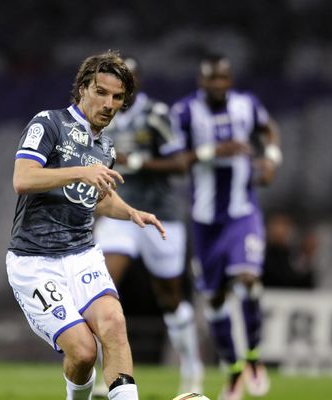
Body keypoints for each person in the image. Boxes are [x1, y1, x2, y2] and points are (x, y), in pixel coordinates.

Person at [6, 51, 166, 400]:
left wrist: (131, 212)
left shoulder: (104, 146)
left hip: (82, 254)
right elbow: (23, 178)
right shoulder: (48, 123)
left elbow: (100, 198)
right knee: (82, 352)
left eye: (117, 97)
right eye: (101, 92)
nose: (109, 103)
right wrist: (82, 170)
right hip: (35, 262)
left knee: (114, 324)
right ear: (82, 89)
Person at [170, 54, 282, 400]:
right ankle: (233, 370)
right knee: (215, 297)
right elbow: (175, 160)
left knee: (248, 278)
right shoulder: (185, 112)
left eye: (223, 79)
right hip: (205, 220)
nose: (218, 85)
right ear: (201, 82)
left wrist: (271, 159)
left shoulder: (247, 106)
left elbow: (269, 129)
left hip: (242, 212)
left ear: (230, 80)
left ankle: (253, 357)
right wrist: (212, 151)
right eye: (211, 79)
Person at [93, 56, 204, 395]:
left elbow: (182, 162)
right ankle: (105, 374)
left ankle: (191, 364)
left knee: (169, 296)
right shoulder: (97, 117)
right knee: (101, 286)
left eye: (124, 81)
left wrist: (137, 162)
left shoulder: (155, 115)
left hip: (159, 215)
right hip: (120, 214)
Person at [262, 213, 317, 289]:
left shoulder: (293, 254)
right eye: (277, 225)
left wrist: (307, 257)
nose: (280, 230)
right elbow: (278, 278)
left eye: (284, 226)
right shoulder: (262, 255)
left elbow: (305, 285)